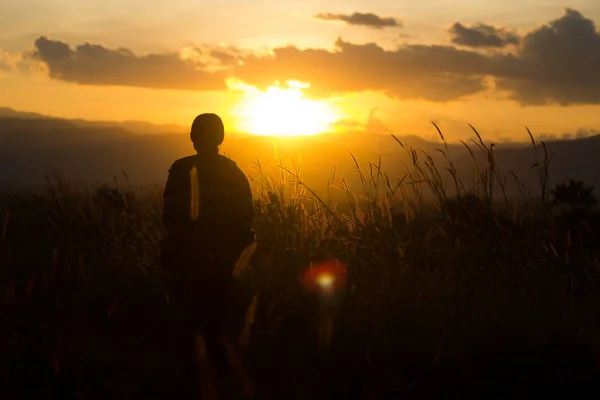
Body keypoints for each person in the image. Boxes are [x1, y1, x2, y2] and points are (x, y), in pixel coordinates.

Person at [161, 113, 255, 399]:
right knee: (222, 320)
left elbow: (169, 217)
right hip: (225, 262)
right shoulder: (234, 172)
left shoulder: (179, 170)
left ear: (192, 137)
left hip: (188, 262)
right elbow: (246, 219)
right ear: (220, 138)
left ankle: (192, 379)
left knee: (190, 323)